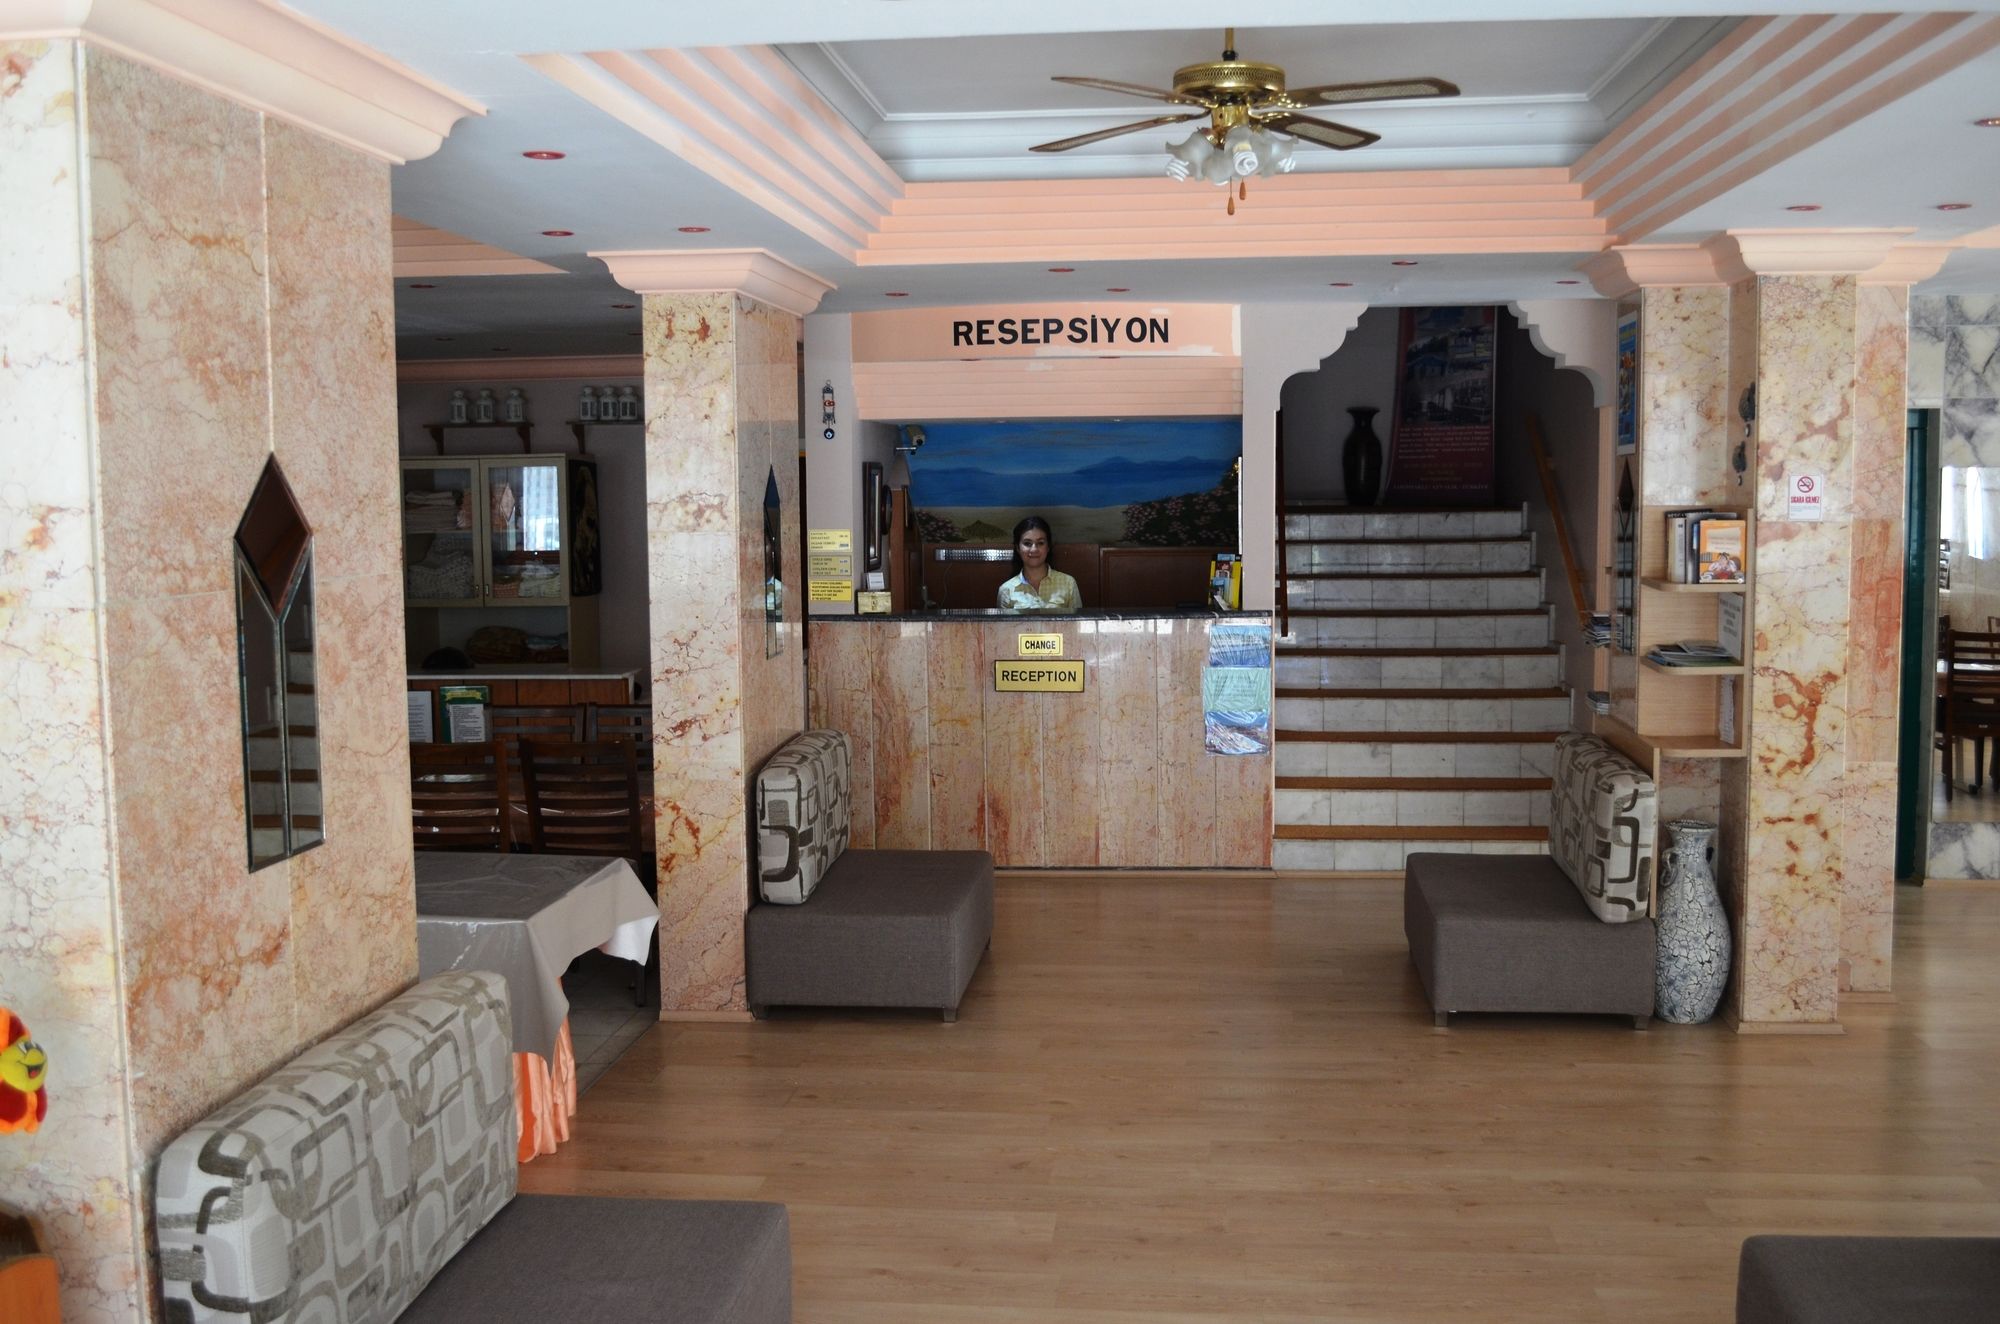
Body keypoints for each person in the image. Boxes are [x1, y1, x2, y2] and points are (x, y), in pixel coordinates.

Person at [996, 515, 1081, 611]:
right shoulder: (1006, 590)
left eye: (1040, 543)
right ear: (1018, 548)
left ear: (1048, 547)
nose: (1034, 549)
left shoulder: (1068, 583)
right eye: (1027, 543)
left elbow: (1078, 620)